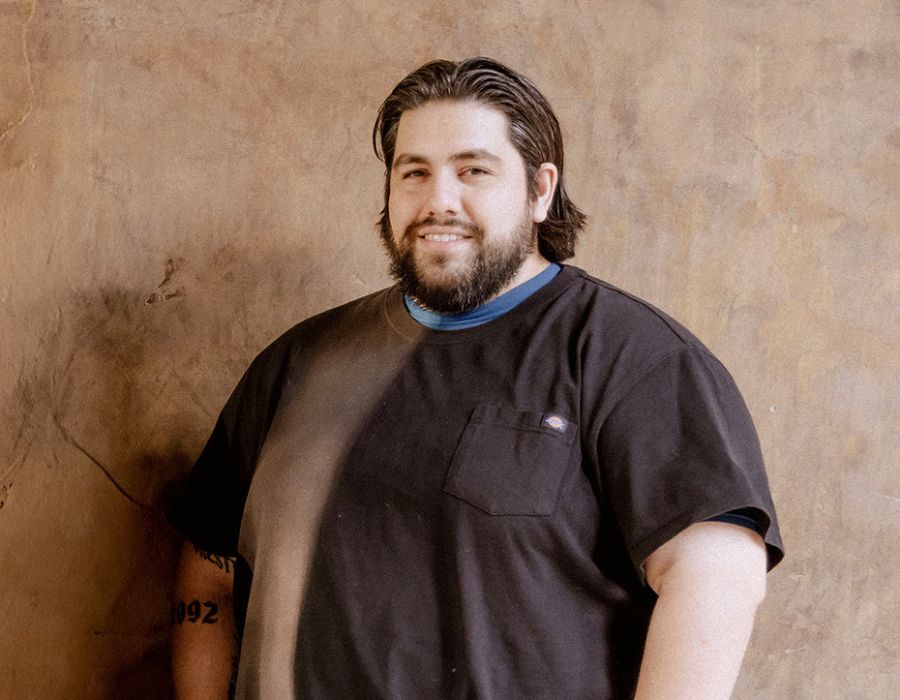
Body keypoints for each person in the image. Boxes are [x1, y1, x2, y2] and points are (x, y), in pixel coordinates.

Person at [168, 57, 784, 699]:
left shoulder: (632, 358)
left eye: (473, 171)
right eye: (414, 173)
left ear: (541, 191)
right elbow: (208, 574)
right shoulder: (299, 362)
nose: (439, 200)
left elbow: (715, 575)